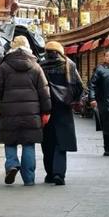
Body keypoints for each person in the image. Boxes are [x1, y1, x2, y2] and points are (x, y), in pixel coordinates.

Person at [0, 35, 51, 186]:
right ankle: (29, 179)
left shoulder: (4, 66)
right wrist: (47, 110)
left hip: (9, 110)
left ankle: (11, 165)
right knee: (28, 144)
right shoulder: (36, 66)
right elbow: (44, 91)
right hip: (31, 113)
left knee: (10, 141)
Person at [41, 41, 84, 185]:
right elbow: (79, 86)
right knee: (61, 143)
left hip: (46, 109)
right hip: (64, 109)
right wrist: (74, 100)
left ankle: (49, 174)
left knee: (47, 143)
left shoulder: (40, 65)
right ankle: (59, 173)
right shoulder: (69, 65)